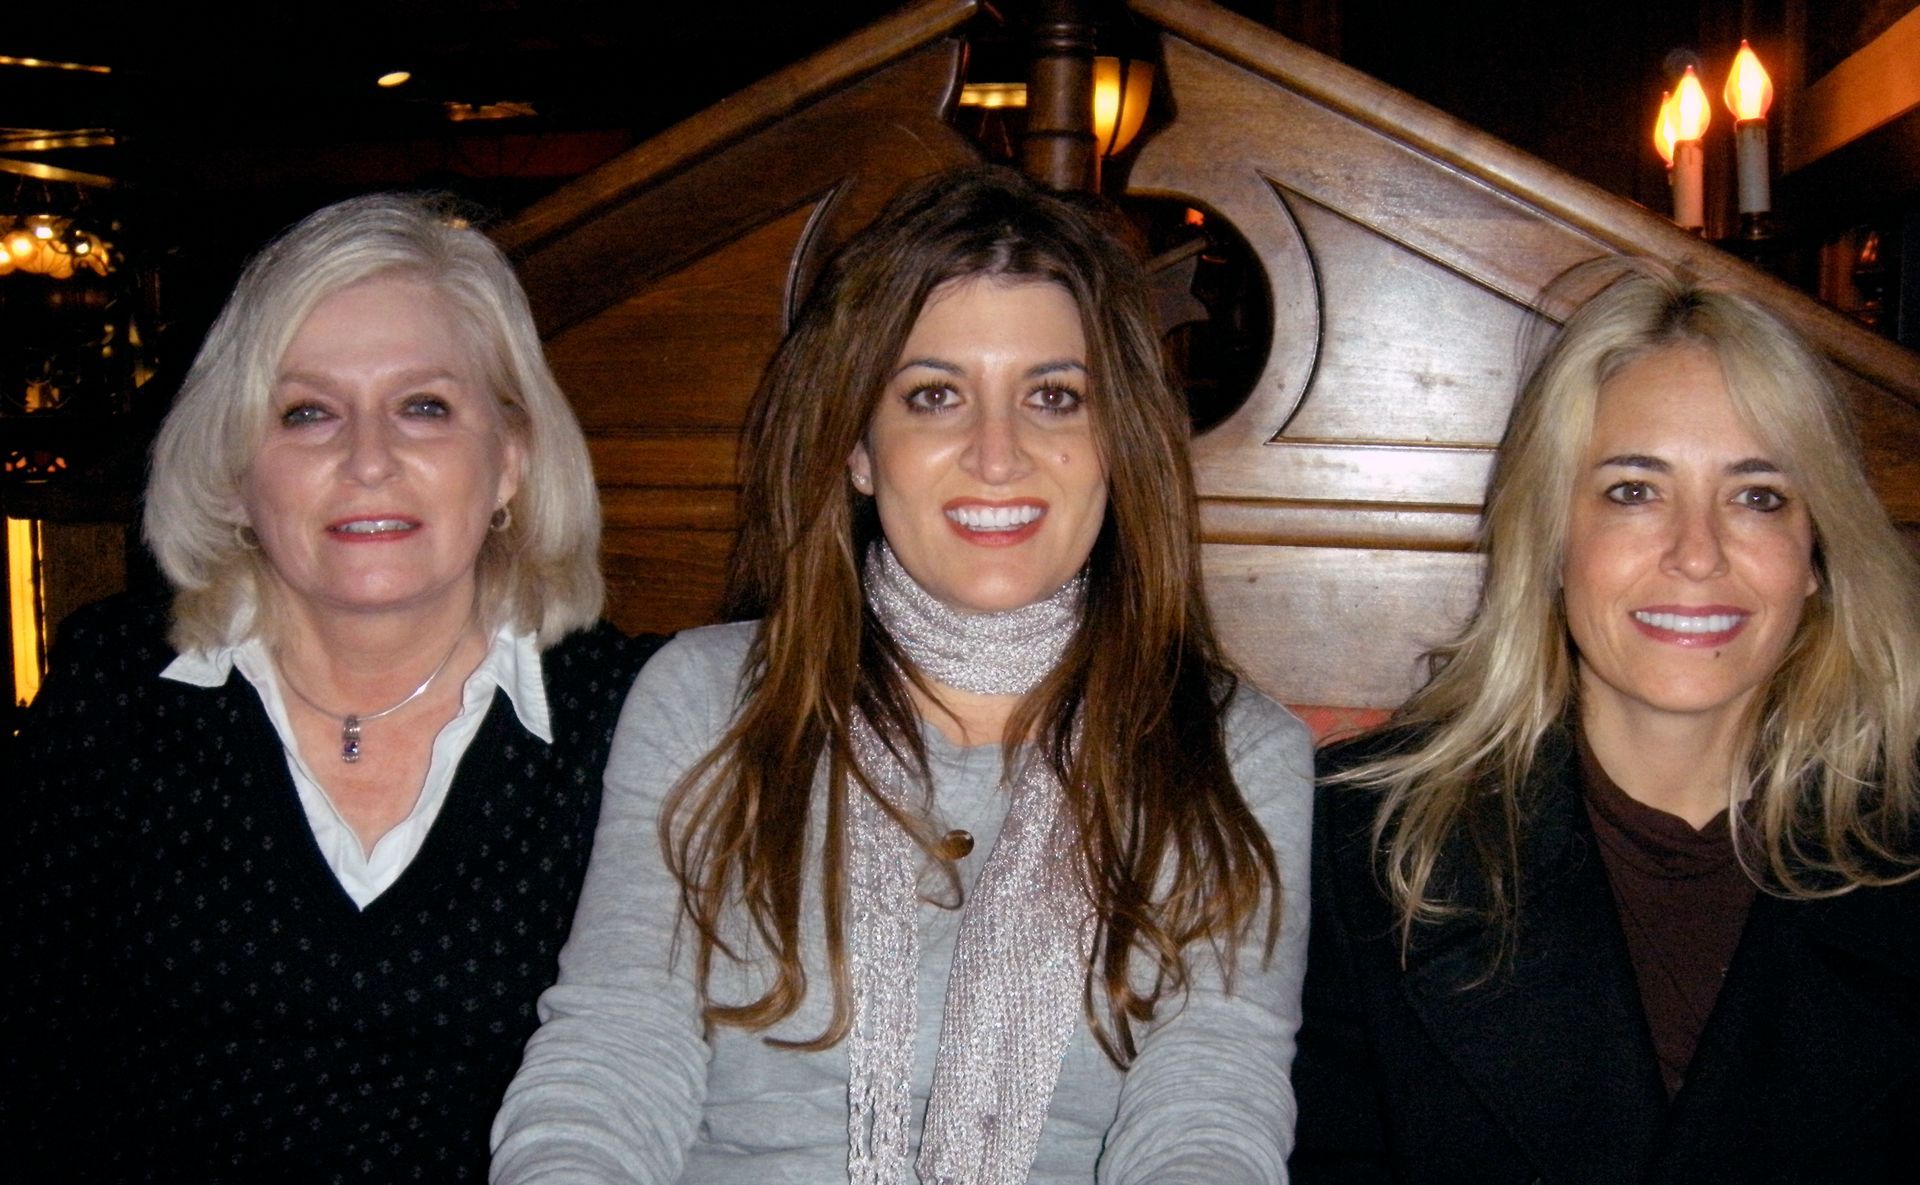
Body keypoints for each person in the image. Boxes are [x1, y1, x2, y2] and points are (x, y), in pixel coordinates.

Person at [490, 166, 1313, 1184]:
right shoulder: (705, 699)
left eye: (1054, 397)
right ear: (858, 449)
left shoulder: (1239, 752)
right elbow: (615, 1056)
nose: (998, 454)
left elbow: (1210, 1108)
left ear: (1117, 442)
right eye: (934, 396)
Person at [4, 194, 662, 1181]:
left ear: (511, 458)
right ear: (234, 468)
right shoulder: (118, 685)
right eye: (307, 412)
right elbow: (27, 1064)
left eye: (424, 406)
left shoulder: (629, 712)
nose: (368, 459)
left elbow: (667, 1077)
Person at [1289, 259, 1920, 1184]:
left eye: (1758, 496)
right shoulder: (1360, 851)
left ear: (1816, 555)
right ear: (1551, 536)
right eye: (1634, 490)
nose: (1697, 553)